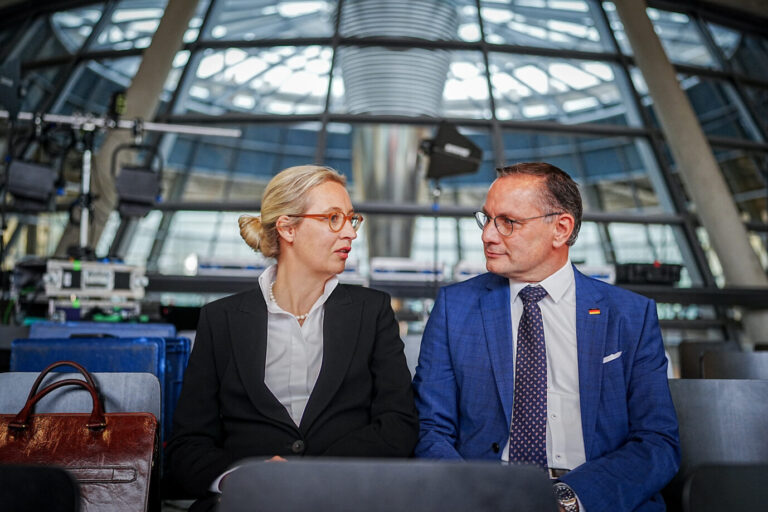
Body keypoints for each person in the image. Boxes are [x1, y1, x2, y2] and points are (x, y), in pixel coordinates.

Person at [412, 162, 679, 512]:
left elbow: (656, 443)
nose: (488, 236)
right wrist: (479, 497)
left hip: (594, 499)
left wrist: (568, 499)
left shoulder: (630, 315)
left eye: (508, 222)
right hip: (485, 496)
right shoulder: (454, 308)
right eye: (487, 219)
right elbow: (429, 429)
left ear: (561, 229)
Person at [166, 165, 418, 512]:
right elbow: (187, 447)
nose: (350, 233)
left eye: (350, 219)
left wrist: (311, 473)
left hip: (344, 499)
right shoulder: (221, 319)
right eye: (333, 218)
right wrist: (241, 476)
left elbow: (398, 425)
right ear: (287, 228)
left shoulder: (371, 311)